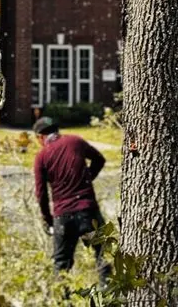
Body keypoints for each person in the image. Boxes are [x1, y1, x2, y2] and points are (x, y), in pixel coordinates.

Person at [32, 116, 112, 288]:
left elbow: (41, 194)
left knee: (61, 265)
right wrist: (88, 178)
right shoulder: (75, 141)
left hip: (63, 217)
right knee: (103, 254)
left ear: (40, 137)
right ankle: (108, 296)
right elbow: (99, 159)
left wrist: (48, 219)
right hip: (88, 211)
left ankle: (63, 301)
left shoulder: (41, 157)